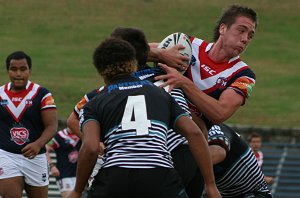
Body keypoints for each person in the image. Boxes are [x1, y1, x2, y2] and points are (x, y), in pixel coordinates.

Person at [68, 38, 220, 198]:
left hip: (115, 178)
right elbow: (195, 134)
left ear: (100, 70)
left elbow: (91, 147)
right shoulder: (161, 94)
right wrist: (210, 185)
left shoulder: (94, 102)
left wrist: (77, 190)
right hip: (160, 177)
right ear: (133, 64)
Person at [149, 4, 257, 132]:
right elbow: (134, 51)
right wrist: (161, 54)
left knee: (219, 147)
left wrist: (184, 83)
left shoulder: (244, 76)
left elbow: (220, 113)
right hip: (159, 116)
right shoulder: (189, 45)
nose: (245, 39)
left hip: (193, 133)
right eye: (241, 30)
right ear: (223, 28)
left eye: (250, 36)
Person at [0, 51, 58, 198]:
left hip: (35, 157)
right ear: (8, 71)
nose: (18, 73)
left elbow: (52, 126)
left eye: (23, 69)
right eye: (14, 69)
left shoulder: (42, 94)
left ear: (29, 71)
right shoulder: (0, 94)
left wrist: (38, 144)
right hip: (7, 155)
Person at [206, 124, 272, 198]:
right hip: (227, 191)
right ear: (250, 143)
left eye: (258, 142)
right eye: (254, 142)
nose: (256, 144)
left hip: (250, 191)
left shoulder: (259, 155)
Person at [46, 127, 81, 198]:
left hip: (79, 175)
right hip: (64, 174)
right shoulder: (60, 136)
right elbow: (46, 149)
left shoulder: (81, 135)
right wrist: (52, 166)